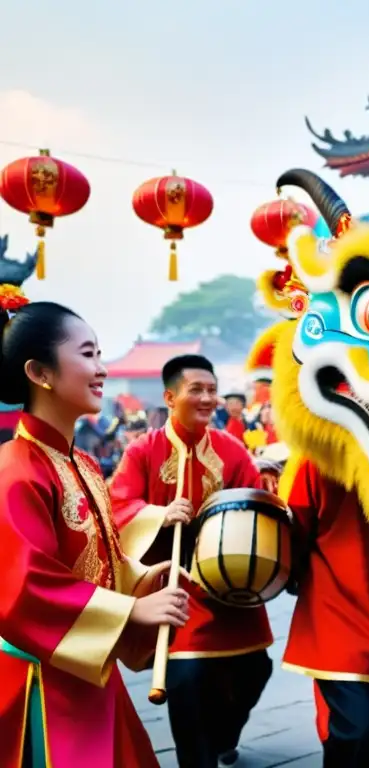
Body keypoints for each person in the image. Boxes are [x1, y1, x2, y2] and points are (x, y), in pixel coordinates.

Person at [0, 289, 190, 767]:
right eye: (87, 354)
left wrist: (146, 581)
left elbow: (98, 562)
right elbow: (22, 588)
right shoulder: (14, 472)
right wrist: (131, 614)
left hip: (91, 670)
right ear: (39, 373)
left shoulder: (82, 462)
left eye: (101, 354)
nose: (102, 368)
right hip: (38, 683)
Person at [109, 354, 273, 768]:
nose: (207, 398)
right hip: (177, 588)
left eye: (212, 390)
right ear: (169, 396)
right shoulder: (144, 450)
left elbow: (254, 499)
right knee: (187, 681)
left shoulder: (231, 450)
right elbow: (117, 505)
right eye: (196, 390)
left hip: (232, 587)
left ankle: (223, 737)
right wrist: (157, 514)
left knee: (255, 670)